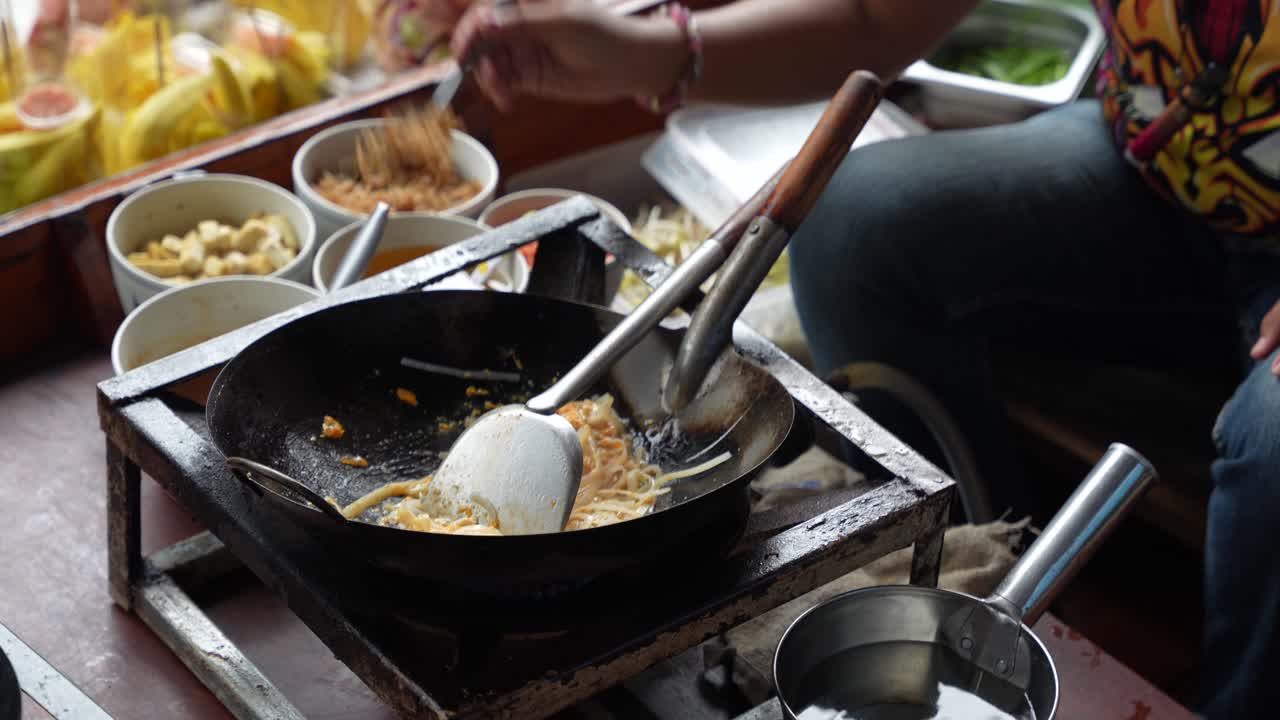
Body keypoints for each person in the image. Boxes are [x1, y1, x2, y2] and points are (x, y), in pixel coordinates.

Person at [449, 1, 1279, 717]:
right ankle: (977, 576)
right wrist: (649, 49)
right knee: (852, 228)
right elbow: (875, 19)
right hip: (1161, 159)